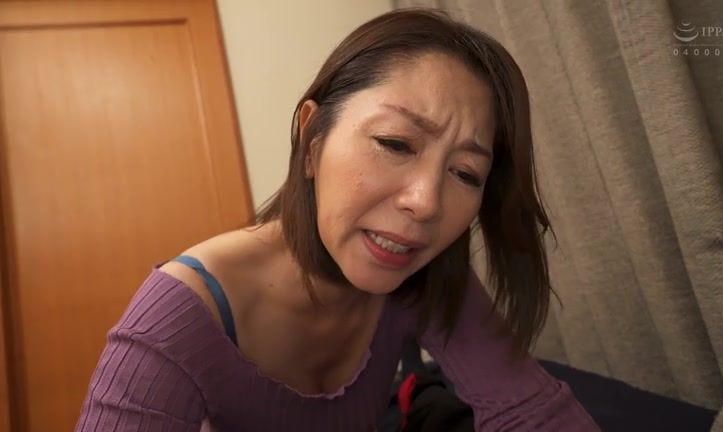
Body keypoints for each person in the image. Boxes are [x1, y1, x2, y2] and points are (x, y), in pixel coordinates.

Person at [76, 8, 599, 432]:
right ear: (312, 139)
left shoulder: (427, 278)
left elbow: (532, 412)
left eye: (465, 173)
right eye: (395, 143)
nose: (426, 202)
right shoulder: (177, 320)